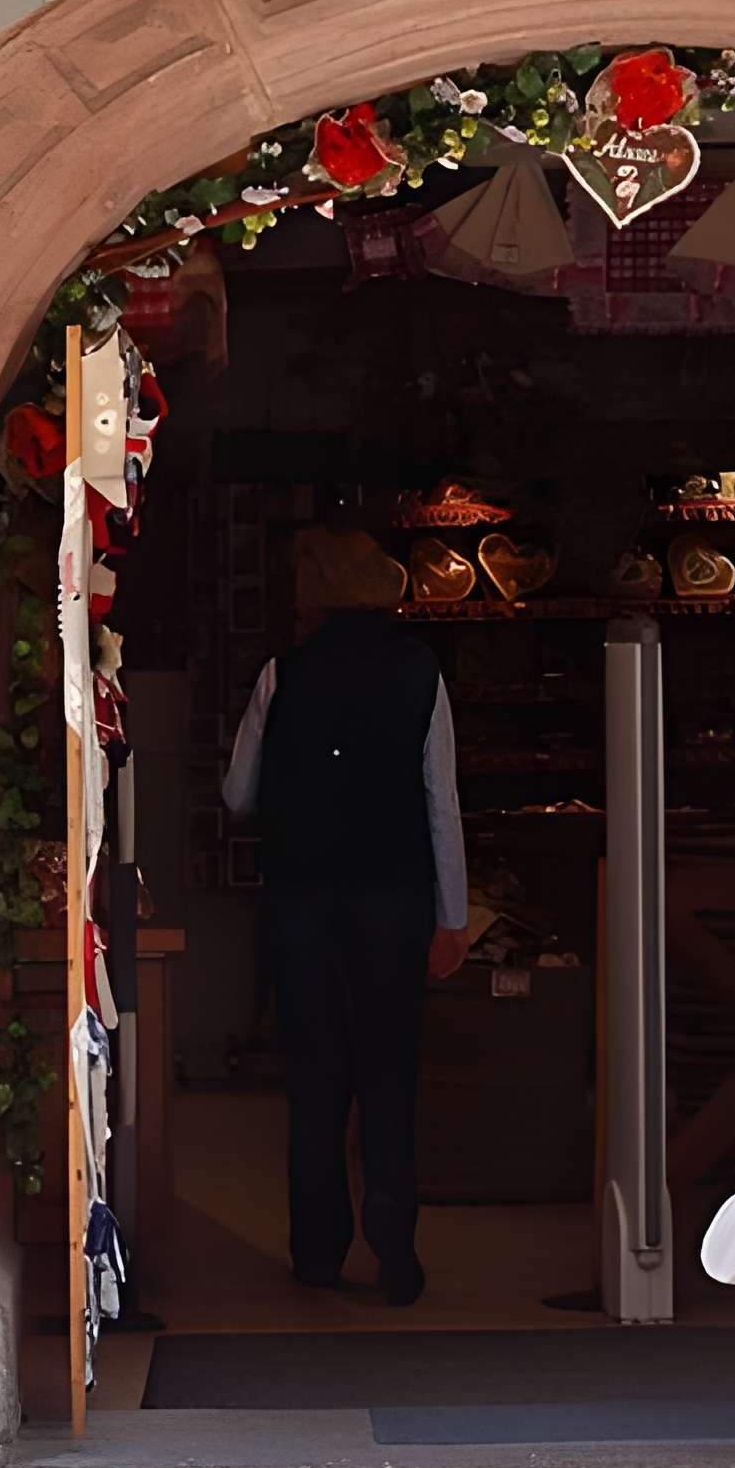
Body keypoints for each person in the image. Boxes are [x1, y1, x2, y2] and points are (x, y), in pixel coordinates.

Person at [224, 526, 468, 1307]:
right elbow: (441, 802)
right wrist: (453, 916)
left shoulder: (282, 673)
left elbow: (236, 792)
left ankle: (317, 1251)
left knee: (315, 1078)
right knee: (389, 1078)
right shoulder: (421, 674)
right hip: (394, 903)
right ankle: (396, 1253)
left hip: (302, 902)